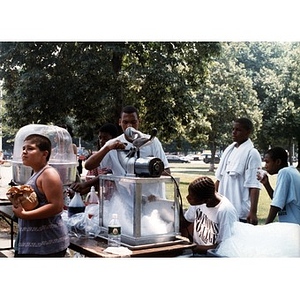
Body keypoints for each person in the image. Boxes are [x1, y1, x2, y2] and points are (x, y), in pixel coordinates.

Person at [85, 105, 170, 203]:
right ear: (120, 122)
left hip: (152, 202)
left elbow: (167, 172)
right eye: (125, 122)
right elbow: (88, 165)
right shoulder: (113, 144)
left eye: (133, 122)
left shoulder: (152, 142)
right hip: (126, 206)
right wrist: (107, 148)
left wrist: (146, 171)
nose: (129, 126)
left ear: (139, 122)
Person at [12, 134, 69, 257]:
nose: (24, 152)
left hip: (47, 246)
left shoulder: (49, 174)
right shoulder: (36, 173)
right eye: (23, 149)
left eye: (30, 149)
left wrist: (24, 215)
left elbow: (56, 206)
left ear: (44, 154)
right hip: (34, 244)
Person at [215, 117, 261, 224]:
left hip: (240, 210)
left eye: (238, 130)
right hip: (223, 207)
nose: (234, 132)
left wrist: (253, 212)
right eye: (233, 129)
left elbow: (254, 185)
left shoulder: (252, 153)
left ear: (248, 132)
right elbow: (219, 179)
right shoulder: (229, 151)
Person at [180, 176, 238, 255]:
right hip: (197, 251)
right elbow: (185, 222)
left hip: (213, 256)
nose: (187, 198)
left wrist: (194, 248)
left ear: (206, 200)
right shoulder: (200, 202)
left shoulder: (225, 211)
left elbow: (225, 247)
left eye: (191, 197)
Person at [70, 123, 119, 196]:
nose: (101, 141)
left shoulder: (120, 156)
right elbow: (90, 186)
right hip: (104, 202)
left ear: (114, 139)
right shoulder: (96, 159)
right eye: (100, 138)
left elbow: (108, 175)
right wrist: (76, 192)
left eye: (105, 138)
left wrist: (85, 184)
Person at [258, 147, 300, 224]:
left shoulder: (284, 172)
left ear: (278, 162)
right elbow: (278, 200)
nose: (265, 166)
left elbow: (276, 205)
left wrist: (265, 227)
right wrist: (266, 184)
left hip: (294, 226)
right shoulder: (291, 171)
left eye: (267, 162)